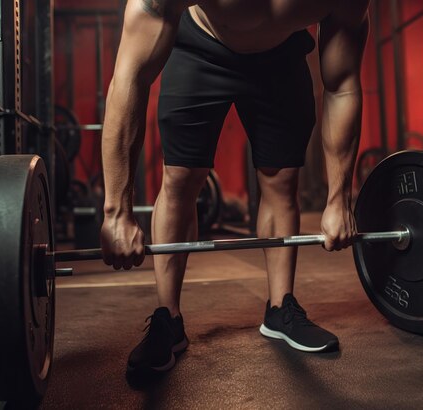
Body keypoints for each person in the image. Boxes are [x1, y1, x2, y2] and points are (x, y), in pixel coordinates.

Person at [100, 0, 370, 375]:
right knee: (181, 178)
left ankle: (280, 308)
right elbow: (130, 78)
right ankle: (168, 317)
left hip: (282, 55)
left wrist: (339, 200)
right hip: (200, 45)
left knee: (281, 179)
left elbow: (342, 86)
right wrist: (117, 212)